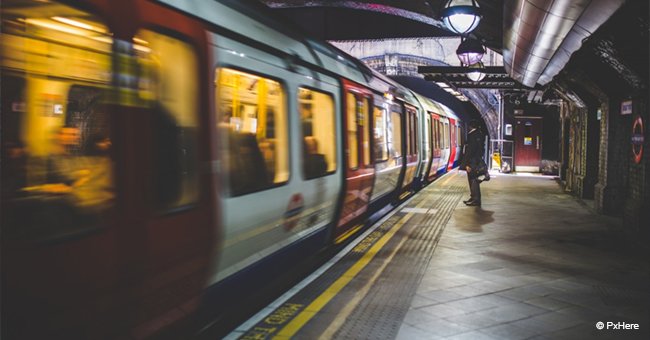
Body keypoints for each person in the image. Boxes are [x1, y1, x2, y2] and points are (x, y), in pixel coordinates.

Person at [460, 119, 488, 206]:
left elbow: (470, 151)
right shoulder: (479, 134)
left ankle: (475, 199)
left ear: (471, 126)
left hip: (472, 162)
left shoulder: (472, 135)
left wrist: (467, 164)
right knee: (474, 179)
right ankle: (473, 198)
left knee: (473, 180)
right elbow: (481, 150)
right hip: (477, 160)